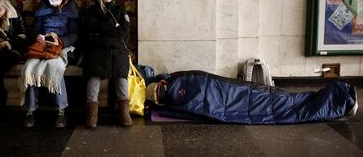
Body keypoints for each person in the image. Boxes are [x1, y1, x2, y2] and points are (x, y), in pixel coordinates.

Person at [146, 70, 358, 124]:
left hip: (240, 103)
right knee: (291, 102)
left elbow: (197, 112)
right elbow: (207, 78)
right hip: (243, 93)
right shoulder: (182, 78)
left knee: (293, 108)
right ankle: (340, 99)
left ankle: (340, 100)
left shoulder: (175, 101)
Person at [21, 0, 78, 128]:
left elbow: (75, 34)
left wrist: (60, 41)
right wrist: (37, 37)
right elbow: (34, 31)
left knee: (55, 67)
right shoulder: (42, 9)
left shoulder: (71, 9)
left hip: (62, 47)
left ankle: (60, 111)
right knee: (30, 68)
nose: (53, 1)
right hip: (41, 47)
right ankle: (30, 110)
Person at [81, 0, 132, 129]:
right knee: (94, 75)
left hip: (117, 50)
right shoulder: (90, 11)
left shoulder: (120, 10)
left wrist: (101, 31)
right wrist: (111, 28)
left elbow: (123, 32)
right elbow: (87, 34)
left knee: (121, 74)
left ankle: (124, 112)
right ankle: (92, 114)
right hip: (96, 50)